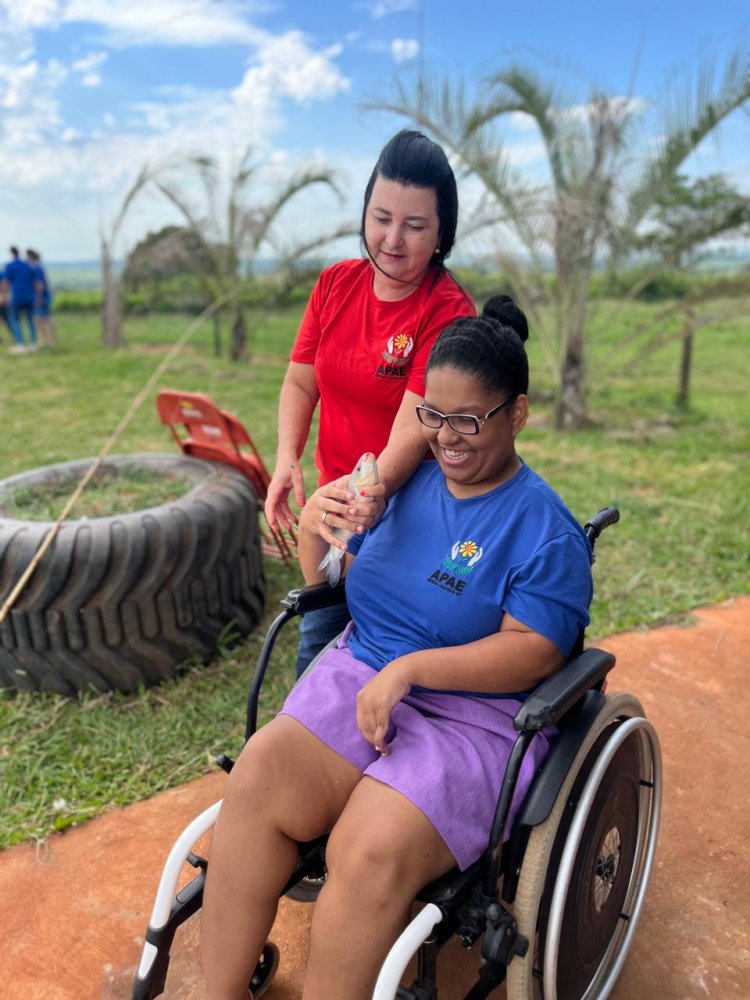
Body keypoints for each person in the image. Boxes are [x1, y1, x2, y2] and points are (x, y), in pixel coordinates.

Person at [202, 298, 594, 1000]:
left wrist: (413, 670)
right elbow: (340, 581)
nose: (447, 438)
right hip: (361, 673)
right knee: (258, 773)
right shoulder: (400, 487)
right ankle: (213, 990)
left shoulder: (544, 529)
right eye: (432, 416)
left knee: (367, 847)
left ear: (518, 414)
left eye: (469, 420)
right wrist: (319, 529)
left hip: (472, 720)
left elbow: (535, 652)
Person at [264, 129, 476, 675]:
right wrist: (288, 458)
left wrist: (351, 512)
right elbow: (300, 383)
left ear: (441, 233)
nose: (392, 239)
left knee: (381, 664)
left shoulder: (448, 312)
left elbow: (413, 432)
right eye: (381, 218)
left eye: (414, 225)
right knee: (319, 660)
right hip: (337, 511)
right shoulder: (335, 284)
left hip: (406, 517)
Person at [4, 246, 37, 352]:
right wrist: (38, 296)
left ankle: (20, 344)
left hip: (16, 297)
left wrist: (4, 296)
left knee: (15, 320)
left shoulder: (10, 266)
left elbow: (5, 283)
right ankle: (33, 343)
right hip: (29, 296)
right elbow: (36, 282)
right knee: (30, 320)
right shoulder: (28, 265)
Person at [26, 249, 57, 347]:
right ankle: (51, 340)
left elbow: (39, 285)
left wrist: (38, 298)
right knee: (47, 318)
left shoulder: (35, 268)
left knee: (39, 320)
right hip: (45, 296)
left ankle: (44, 340)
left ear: (30, 257)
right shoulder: (39, 267)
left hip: (41, 297)